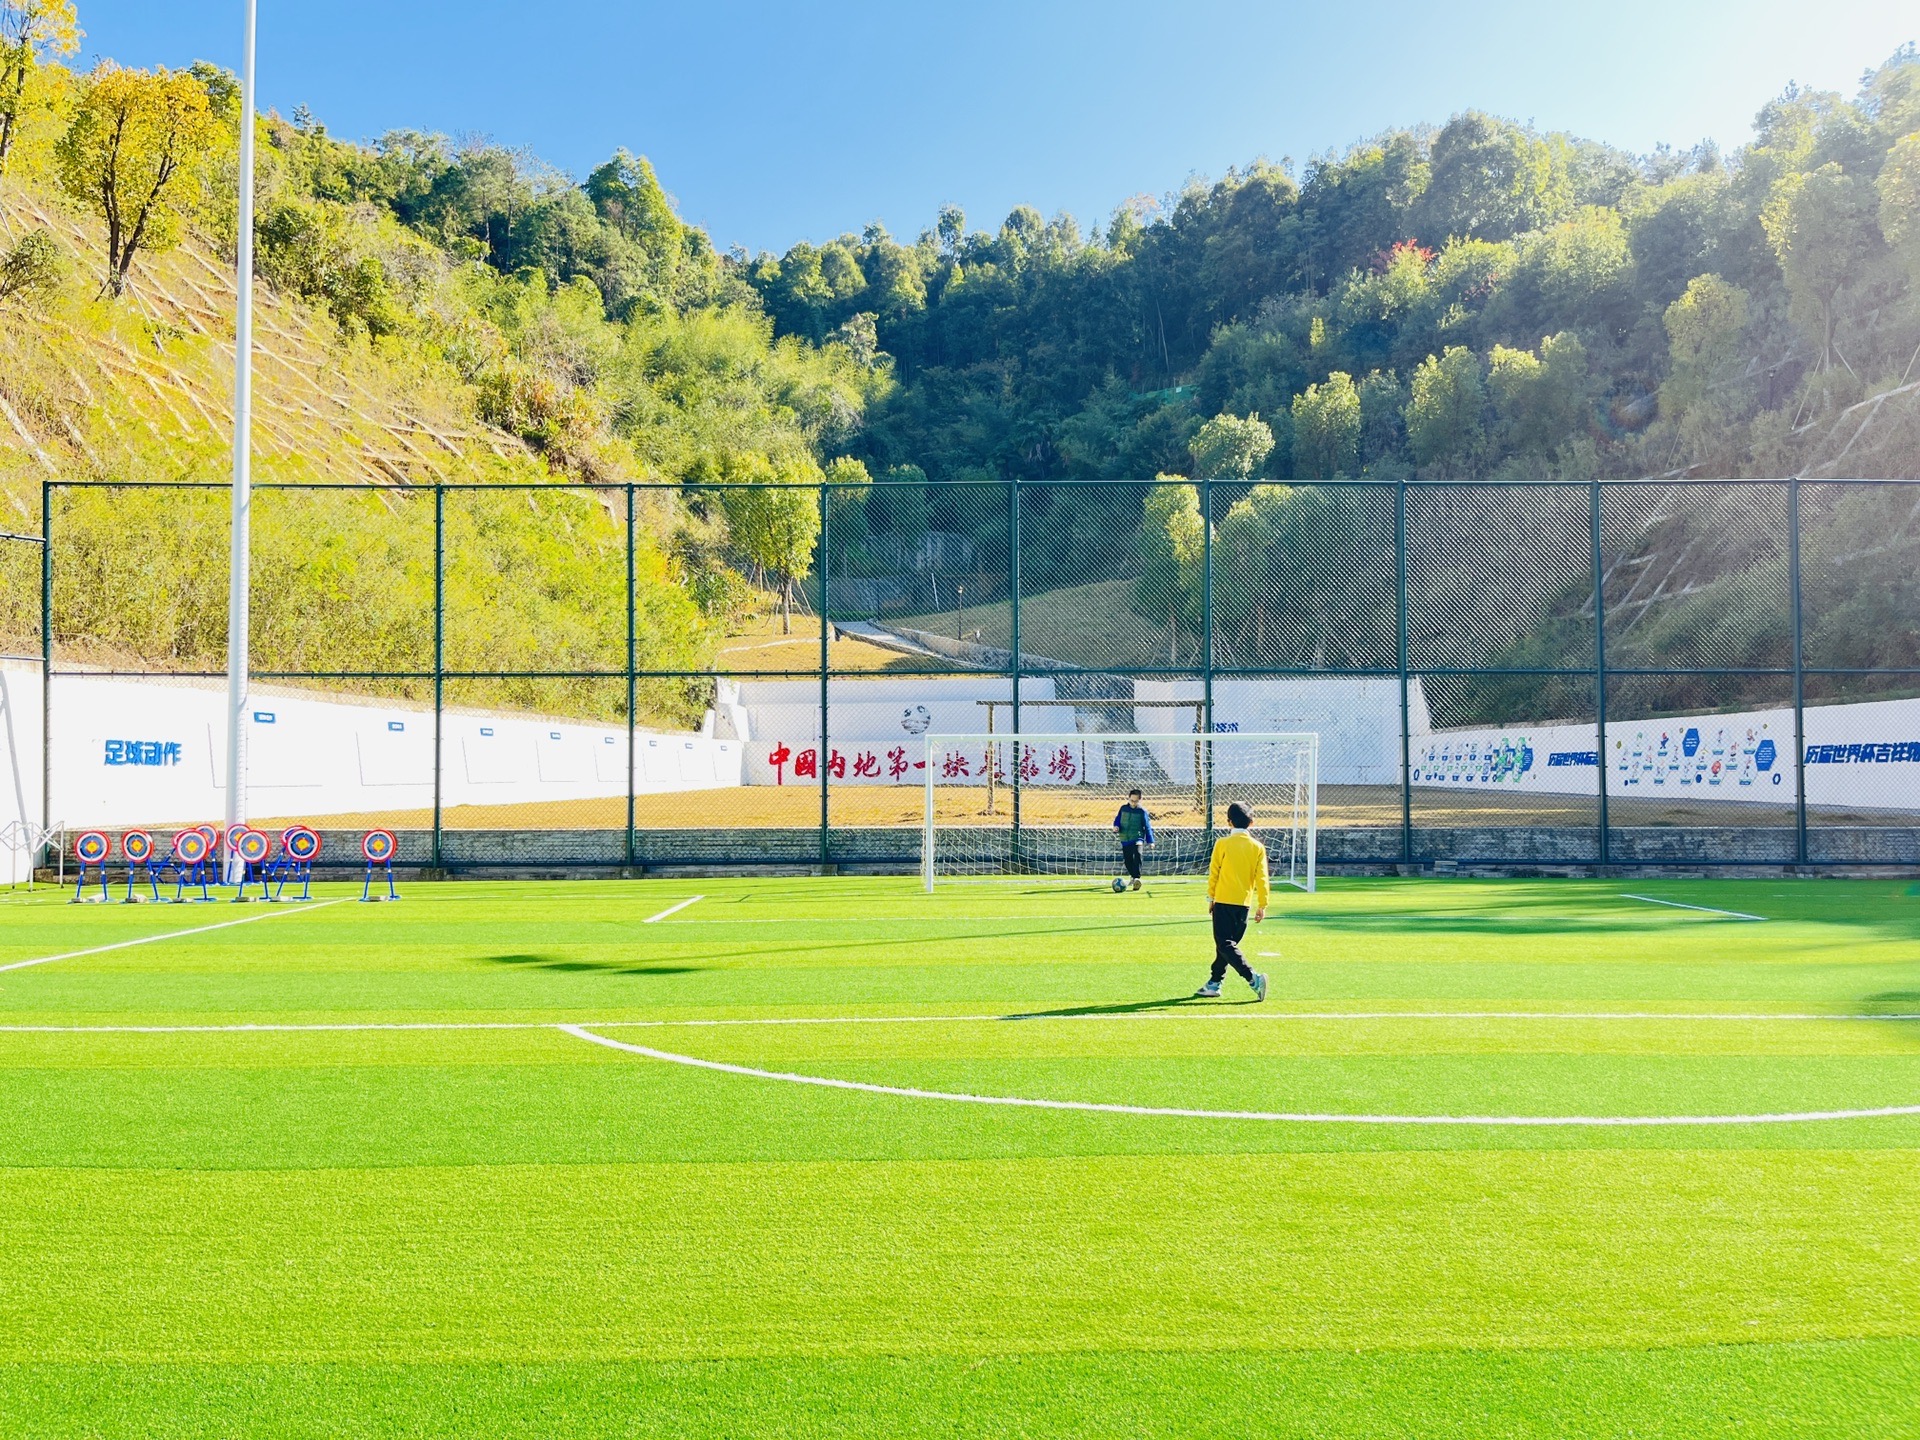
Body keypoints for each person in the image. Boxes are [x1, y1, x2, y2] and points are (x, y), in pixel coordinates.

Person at [1194, 801, 1268, 1000]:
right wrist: (1262, 904)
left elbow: (1214, 872)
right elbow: (1262, 877)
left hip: (1224, 901)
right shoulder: (1257, 847)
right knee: (1227, 946)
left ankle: (1253, 978)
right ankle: (1214, 983)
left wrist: (1211, 897)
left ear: (1228, 822)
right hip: (1244, 904)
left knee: (1224, 944)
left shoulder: (1222, 844)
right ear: (1251, 822)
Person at [1111, 788, 1156, 891]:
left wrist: (1151, 841)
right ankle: (1133, 876)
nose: (1133, 803)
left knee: (1138, 854)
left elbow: (1147, 826)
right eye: (1132, 800)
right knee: (1127, 860)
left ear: (1139, 800)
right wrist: (1116, 826)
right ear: (1129, 798)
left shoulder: (1142, 812)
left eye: (1136, 801)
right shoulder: (1123, 808)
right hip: (1125, 838)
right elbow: (1118, 819)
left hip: (1137, 837)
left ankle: (1136, 878)